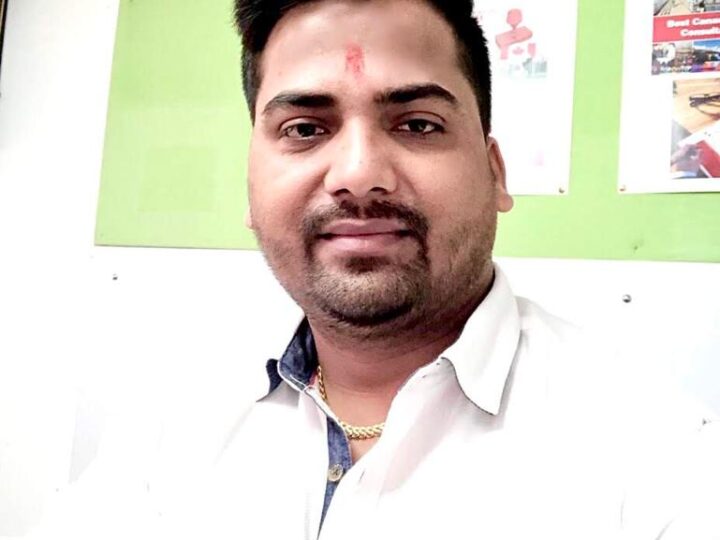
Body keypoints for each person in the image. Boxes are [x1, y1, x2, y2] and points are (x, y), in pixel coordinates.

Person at [23, 0, 719, 539]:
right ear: (250, 187)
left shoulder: (664, 461)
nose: (358, 174)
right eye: (305, 129)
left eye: (417, 124)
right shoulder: (169, 426)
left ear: (496, 173)